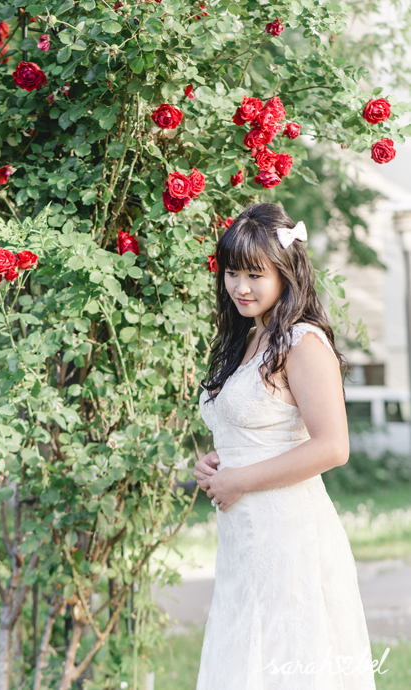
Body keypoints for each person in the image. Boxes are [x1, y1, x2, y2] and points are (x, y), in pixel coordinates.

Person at [193, 203, 377, 689]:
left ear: (286, 273)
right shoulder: (251, 336)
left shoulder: (301, 342)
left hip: (288, 533)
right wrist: (220, 461)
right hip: (245, 538)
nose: (240, 286)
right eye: (233, 272)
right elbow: (256, 426)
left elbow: (334, 446)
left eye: (255, 274)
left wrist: (239, 478)